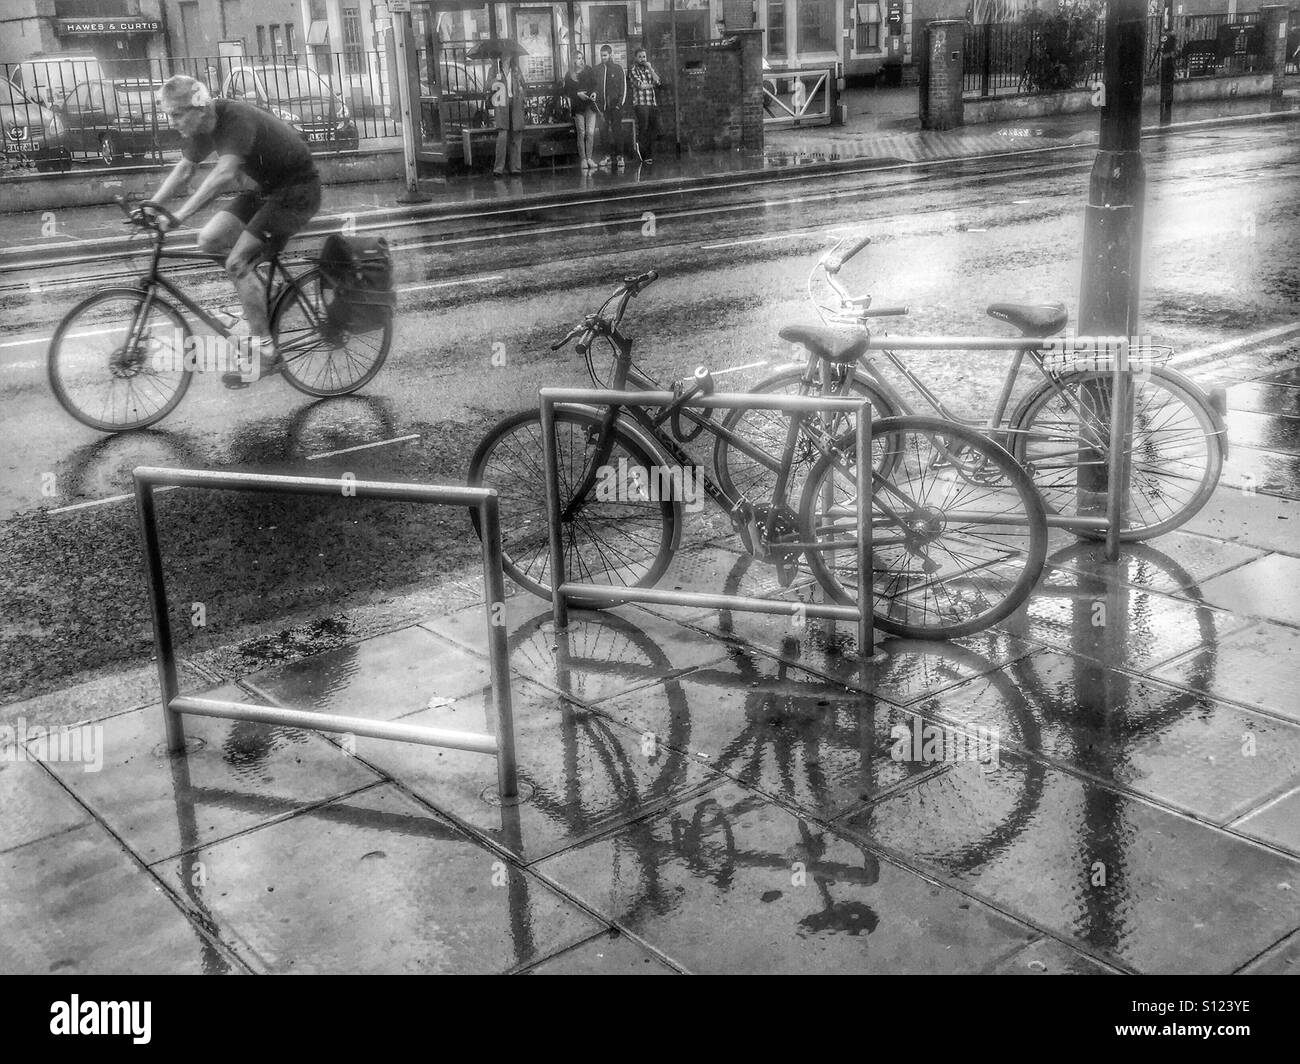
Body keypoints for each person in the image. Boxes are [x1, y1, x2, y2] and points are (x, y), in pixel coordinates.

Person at [151, 74, 321, 389]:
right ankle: (255, 297)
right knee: (209, 239)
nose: (171, 121)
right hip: (265, 190)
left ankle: (266, 350)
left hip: (295, 192)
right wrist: (151, 206)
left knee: (236, 263)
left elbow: (224, 173)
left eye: (176, 114)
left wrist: (178, 216)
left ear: (199, 107)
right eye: (167, 115)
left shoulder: (235, 119)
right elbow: (184, 169)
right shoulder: (203, 126)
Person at [591, 44, 627, 171]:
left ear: (610, 55)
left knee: (617, 131)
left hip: (615, 106)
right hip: (602, 107)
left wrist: (619, 105)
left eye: (605, 55)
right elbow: (594, 86)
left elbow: (623, 88)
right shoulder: (597, 70)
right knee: (603, 132)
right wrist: (594, 94)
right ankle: (606, 156)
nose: (603, 58)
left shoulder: (618, 69)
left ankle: (620, 156)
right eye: (601, 55)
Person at [491, 57, 527, 177]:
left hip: (515, 105)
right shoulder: (495, 70)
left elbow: (523, 85)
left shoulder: (516, 70)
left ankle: (515, 168)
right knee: (502, 136)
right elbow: (488, 86)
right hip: (502, 106)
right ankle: (498, 168)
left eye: (509, 54)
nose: (507, 57)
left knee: (516, 135)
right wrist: (495, 81)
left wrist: (522, 89)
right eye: (505, 54)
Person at [563, 53, 598, 171]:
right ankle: (583, 159)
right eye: (578, 59)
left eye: (582, 58)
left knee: (590, 132)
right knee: (581, 132)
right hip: (578, 106)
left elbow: (595, 84)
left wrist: (594, 93)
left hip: (590, 104)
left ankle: (589, 158)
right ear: (573, 61)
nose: (581, 61)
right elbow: (567, 91)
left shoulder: (589, 70)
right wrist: (578, 94)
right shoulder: (569, 75)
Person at [628, 47, 662, 165]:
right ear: (635, 58)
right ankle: (644, 154)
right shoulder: (633, 69)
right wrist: (653, 84)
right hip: (641, 103)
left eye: (644, 56)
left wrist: (650, 68)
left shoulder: (648, 69)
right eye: (640, 57)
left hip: (652, 103)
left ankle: (647, 151)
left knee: (657, 127)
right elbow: (640, 85)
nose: (642, 59)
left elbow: (658, 81)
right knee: (644, 128)